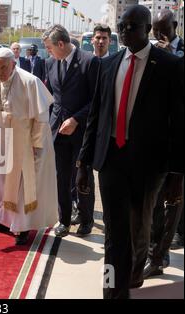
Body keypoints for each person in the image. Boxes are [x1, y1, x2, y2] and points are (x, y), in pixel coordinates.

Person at [76, 5, 184, 299]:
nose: (124, 32)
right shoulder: (108, 64)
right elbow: (96, 116)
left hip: (149, 166)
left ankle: (133, 273)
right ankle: (112, 290)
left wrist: (178, 174)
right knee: (114, 236)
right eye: (121, 27)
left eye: (131, 27)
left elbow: (179, 123)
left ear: (147, 29)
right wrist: (84, 163)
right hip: (112, 160)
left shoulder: (169, 66)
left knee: (139, 232)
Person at [0, 48, 58, 245]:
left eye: (3, 67)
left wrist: (36, 145)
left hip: (23, 142)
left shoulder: (30, 81)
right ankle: (3, 221)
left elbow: (41, 119)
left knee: (21, 188)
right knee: (2, 184)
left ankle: (22, 227)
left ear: (14, 64)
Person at [43, 25, 99, 238]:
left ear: (60, 44)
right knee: (60, 178)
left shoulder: (88, 61)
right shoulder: (50, 63)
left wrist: (76, 119)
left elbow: (96, 100)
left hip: (81, 131)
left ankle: (86, 220)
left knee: (82, 178)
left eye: (49, 48)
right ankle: (64, 220)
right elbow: (54, 98)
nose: (48, 52)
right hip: (57, 131)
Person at [144, 8, 185, 278]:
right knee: (154, 199)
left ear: (175, 25)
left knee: (174, 200)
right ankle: (155, 252)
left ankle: (160, 255)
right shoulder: (150, 51)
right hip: (156, 138)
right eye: (154, 30)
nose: (159, 35)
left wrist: (170, 57)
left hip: (181, 139)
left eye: (163, 29)